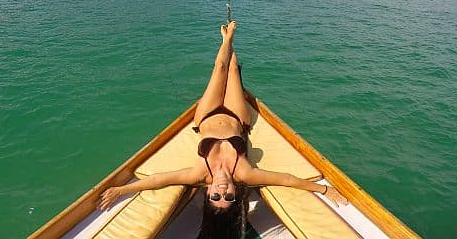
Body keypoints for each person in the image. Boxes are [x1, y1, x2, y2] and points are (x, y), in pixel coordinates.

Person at [97, 21, 348, 238]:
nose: (222, 192)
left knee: (219, 69)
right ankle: (230, 42)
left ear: (207, 194)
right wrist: (324, 189)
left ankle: (227, 38)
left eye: (215, 197)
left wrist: (121, 189)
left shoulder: (199, 174)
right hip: (237, 117)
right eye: (228, 197)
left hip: (205, 116)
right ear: (234, 195)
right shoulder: (245, 174)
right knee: (233, 72)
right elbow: (286, 180)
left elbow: (158, 181)